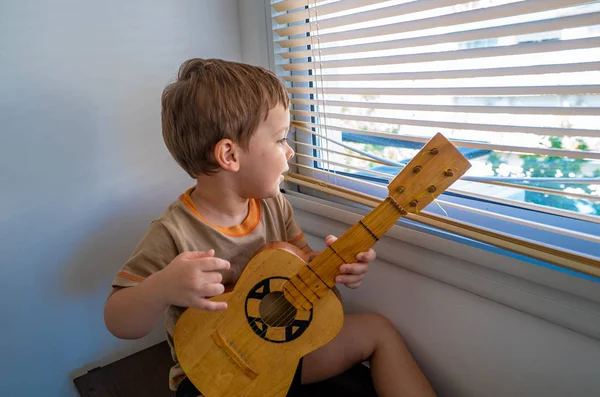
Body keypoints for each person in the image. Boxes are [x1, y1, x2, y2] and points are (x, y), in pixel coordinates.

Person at [103, 58, 436, 397]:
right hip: (212, 378)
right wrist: (161, 288)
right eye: (279, 139)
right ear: (230, 155)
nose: (289, 151)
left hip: (281, 353)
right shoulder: (173, 232)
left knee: (378, 331)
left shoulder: (274, 206)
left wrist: (336, 267)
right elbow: (117, 319)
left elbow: (300, 268)